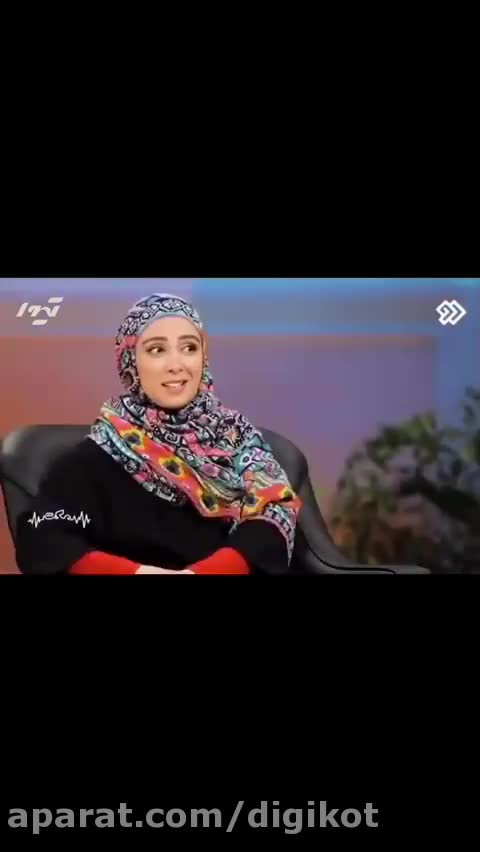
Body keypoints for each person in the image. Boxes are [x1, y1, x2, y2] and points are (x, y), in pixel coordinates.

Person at [15, 293, 301, 575]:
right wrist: (138, 573)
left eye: (189, 348)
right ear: (130, 361)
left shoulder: (238, 438)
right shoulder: (94, 458)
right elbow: (42, 535)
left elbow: (273, 514)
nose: (176, 364)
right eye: (157, 350)